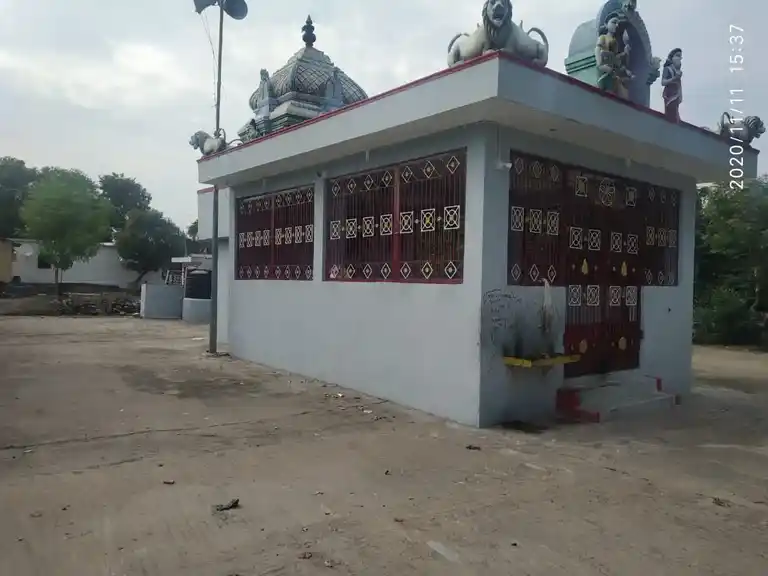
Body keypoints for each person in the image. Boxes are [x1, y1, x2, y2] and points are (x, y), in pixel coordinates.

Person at [661, 48, 683, 122]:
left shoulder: (678, 71)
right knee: (671, 112)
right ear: (672, 57)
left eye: (680, 57)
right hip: (669, 94)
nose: (679, 58)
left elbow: (679, 84)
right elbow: (663, 82)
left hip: (676, 94)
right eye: (677, 55)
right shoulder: (667, 69)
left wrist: (680, 95)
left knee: (675, 113)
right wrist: (674, 78)